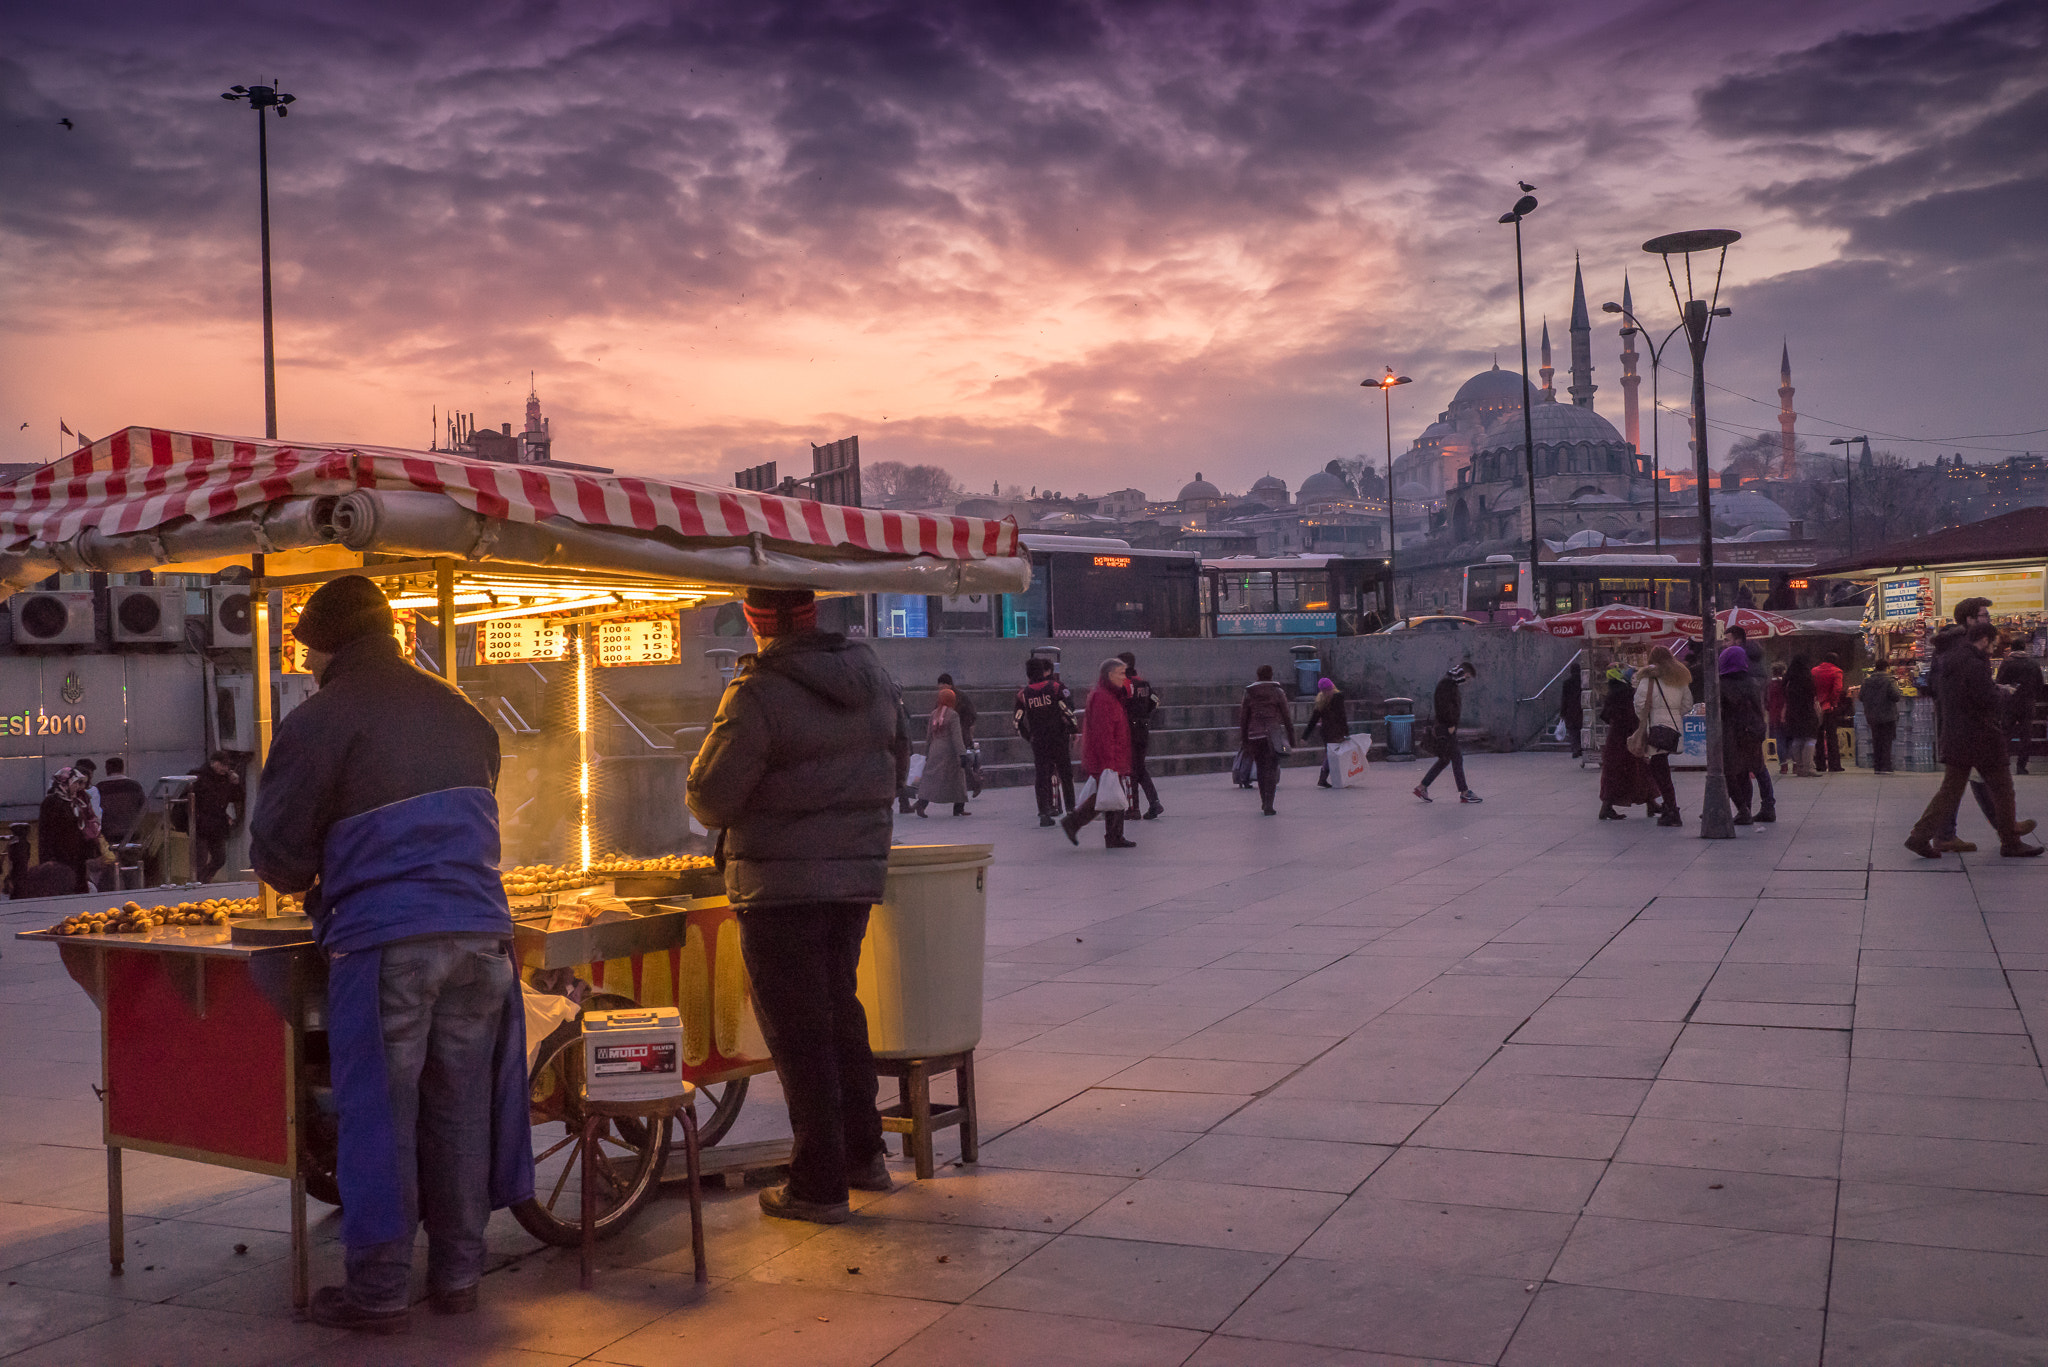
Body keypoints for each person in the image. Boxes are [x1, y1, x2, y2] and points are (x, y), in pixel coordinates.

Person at [250, 574, 531, 1333]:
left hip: (387, 941)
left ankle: (377, 1287)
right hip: (482, 937)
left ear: (324, 648)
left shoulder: (318, 721)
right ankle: (459, 1273)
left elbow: (279, 857)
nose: (307, 665)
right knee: (460, 1107)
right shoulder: (462, 710)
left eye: (309, 653)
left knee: (382, 1112)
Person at [687, 586, 907, 1225]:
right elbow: (900, 758)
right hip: (855, 878)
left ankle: (818, 1183)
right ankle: (865, 1154)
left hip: (781, 886)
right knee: (839, 1009)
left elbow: (712, 796)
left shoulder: (756, 692)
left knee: (798, 1030)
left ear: (758, 621)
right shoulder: (871, 674)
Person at [1905, 622, 2043, 859]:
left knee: (1950, 792)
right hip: (1981, 735)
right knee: (2002, 788)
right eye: (1993, 644)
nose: (1993, 650)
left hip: (1957, 734)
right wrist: (2003, 692)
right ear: (1984, 640)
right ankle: (2011, 840)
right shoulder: (1974, 662)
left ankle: (1919, 836)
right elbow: (1985, 698)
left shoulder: (1948, 659)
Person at [1061, 658, 1138, 848]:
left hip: (1112, 755)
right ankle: (1076, 823)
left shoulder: (1110, 695)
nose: (1123, 677)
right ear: (1110, 675)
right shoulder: (1102, 698)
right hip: (1107, 757)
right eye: (1120, 673)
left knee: (1110, 795)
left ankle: (1113, 835)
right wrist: (1109, 763)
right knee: (1109, 795)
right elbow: (1104, 732)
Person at [1013, 657, 1077, 826]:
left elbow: (1017, 721)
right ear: (1043, 671)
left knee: (1042, 775)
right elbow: (1069, 710)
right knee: (1065, 773)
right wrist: (1072, 729)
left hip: (1039, 739)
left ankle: (1044, 812)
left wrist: (1029, 736)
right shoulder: (1056, 688)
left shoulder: (1024, 694)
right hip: (1058, 737)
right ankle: (1071, 808)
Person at [1632, 646, 1691, 827]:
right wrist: (1674, 715)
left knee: (1660, 772)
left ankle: (1672, 809)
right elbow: (1687, 704)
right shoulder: (1680, 678)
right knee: (1662, 767)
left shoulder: (1648, 679)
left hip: (1655, 729)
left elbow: (1640, 705)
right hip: (1672, 728)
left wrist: (1650, 718)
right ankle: (1669, 806)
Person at [1726, 628, 1777, 821]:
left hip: (1745, 724)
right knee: (1755, 766)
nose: (1725, 643)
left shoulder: (1743, 668)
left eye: (1727, 639)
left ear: (1738, 641)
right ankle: (1763, 806)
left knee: (1751, 767)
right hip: (1755, 722)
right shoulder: (1758, 665)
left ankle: (1750, 807)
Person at [1416, 662, 1481, 804]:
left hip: (1445, 727)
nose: (1467, 681)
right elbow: (1443, 706)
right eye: (1467, 677)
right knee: (1457, 758)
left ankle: (1422, 787)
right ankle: (1464, 792)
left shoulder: (1450, 684)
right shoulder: (1447, 685)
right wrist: (1451, 724)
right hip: (1446, 728)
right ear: (1463, 673)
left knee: (1445, 759)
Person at [1597, 664, 1657, 820]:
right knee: (1641, 770)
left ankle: (1607, 806)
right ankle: (1651, 802)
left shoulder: (1611, 695)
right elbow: (1635, 716)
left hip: (1614, 738)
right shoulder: (1630, 694)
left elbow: (1604, 716)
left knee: (1614, 773)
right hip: (1631, 738)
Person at [1720, 645, 1770, 825]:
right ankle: (1747, 809)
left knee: (1730, 772)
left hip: (1732, 733)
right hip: (1752, 732)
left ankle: (1742, 808)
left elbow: (1721, 711)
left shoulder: (1722, 684)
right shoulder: (1753, 682)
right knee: (1746, 771)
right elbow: (1759, 707)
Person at [1241, 663, 1296, 815]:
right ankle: (1269, 803)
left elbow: (1243, 718)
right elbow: (1286, 716)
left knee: (1260, 768)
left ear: (1258, 676)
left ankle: (1263, 801)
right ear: (1271, 675)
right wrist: (1291, 738)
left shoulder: (1249, 692)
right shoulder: (1277, 692)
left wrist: (1244, 739)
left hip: (1254, 735)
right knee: (1271, 768)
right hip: (1272, 735)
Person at [1115, 652, 1163, 819]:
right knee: (1139, 767)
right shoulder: (1144, 683)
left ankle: (1133, 808)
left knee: (1131, 769)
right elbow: (1155, 701)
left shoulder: (1125, 684)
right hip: (1143, 729)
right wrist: (1145, 715)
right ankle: (1154, 802)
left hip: (1128, 731)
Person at [914, 687, 972, 817]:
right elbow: (957, 737)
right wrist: (962, 754)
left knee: (931, 779)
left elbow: (928, 736)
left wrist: (928, 752)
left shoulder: (934, 713)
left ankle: (922, 804)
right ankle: (958, 808)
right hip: (949, 751)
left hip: (935, 749)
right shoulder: (953, 715)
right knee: (958, 779)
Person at [190, 751, 243, 882]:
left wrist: (236, 784)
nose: (225, 769)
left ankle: (203, 880)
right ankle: (199, 883)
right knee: (200, 859)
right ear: (213, 763)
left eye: (226, 766)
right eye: (222, 765)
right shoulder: (199, 777)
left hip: (217, 824)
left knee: (220, 858)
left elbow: (237, 797)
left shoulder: (225, 780)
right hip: (201, 823)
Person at [38, 768, 92, 893]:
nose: (78, 787)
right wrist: (48, 859)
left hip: (76, 857)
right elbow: (46, 834)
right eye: (76, 783)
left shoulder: (74, 802)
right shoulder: (52, 803)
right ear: (65, 783)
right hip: (59, 858)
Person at [1997, 644, 2043, 775]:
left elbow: (1999, 681)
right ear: (2024, 648)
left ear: (2012, 649)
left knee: (2006, 733)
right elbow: (2039, 683)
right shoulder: (2033, 663)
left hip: (2009, 702)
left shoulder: (2007, 663)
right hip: (2027, 703)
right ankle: (2021, 766)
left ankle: (2004, 763)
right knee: (2026, 735)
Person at [936, 673, 982, 796]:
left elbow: (972, 715)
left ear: (949, 685)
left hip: (960, 735)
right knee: (958, 764)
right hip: (946, 736)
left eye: (942, 687)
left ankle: (974, 783)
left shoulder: (962, 697)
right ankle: (973, 784)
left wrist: (962, 727)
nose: (941, 690)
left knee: (960, 763)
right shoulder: (942, 697)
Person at [1303, 677, 1350, 788]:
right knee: (1332, 755)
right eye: (1328, 690)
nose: (1329, 692)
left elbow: (1314, 720)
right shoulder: (1336, 698)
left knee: (1331, 754)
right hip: (1334, 731)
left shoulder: (1322, 699)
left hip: (1327, 731)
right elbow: (1341, 717)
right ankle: (1326, 778)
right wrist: (1346, 733)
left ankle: (1325, 778)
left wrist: (1305, 736)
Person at [1860, 665, 1905, 774]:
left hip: (1872, 715)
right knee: (1886, 740)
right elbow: (1896, 696)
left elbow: (1861, 697)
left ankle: (1877, 766)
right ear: (1886, 668)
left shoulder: (1867, 681)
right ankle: (1886, 765)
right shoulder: (1890, 681)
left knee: (1876, 740)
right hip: (1888, 715)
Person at [1782, 657, 1821, 777]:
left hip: (1792, 712)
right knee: (1810, 740)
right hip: (1807, 712)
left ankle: (1799, 767)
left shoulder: (1788, 680)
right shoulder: (1807, 679)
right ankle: (1808, 767)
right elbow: (1813, 696)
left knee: (1797, 739)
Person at [95, 757, 147, 845]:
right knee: (131, 857)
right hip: (132, 833)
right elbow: (144, 807)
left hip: (108, 833)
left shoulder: (100, 787)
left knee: (111, 858)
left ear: (107, 769)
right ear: (122, 768)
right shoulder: (134, 786)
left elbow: (95, 811)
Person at [1813, 655, 1848, 773]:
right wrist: (1833, 702)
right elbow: (1838, 689)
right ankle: (1834, 765)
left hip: (1817, 707)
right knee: (1831, 736)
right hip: (1829, 708)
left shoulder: (1814, 671)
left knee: (1818, 737)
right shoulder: (1837, 671)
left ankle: (1820, 764)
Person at [1559, 660, 1584, 759]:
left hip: (1570, 710)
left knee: (1573, 731)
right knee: (1581, 729)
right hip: (1581, 709)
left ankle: (1575, 748)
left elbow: (1564, 698)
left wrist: (1563, 712)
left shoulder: (1567, 683)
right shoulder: (1583, 681)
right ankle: (1582, 747)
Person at [1767, 663, 1789, 775]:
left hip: (1774, 716)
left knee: (1779, 740)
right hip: (1787, 714)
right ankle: (1795, 764)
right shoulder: (1786, 685)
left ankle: (1783, 765)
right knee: (1790, 739)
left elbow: (1767, 702)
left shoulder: (1770, 685)